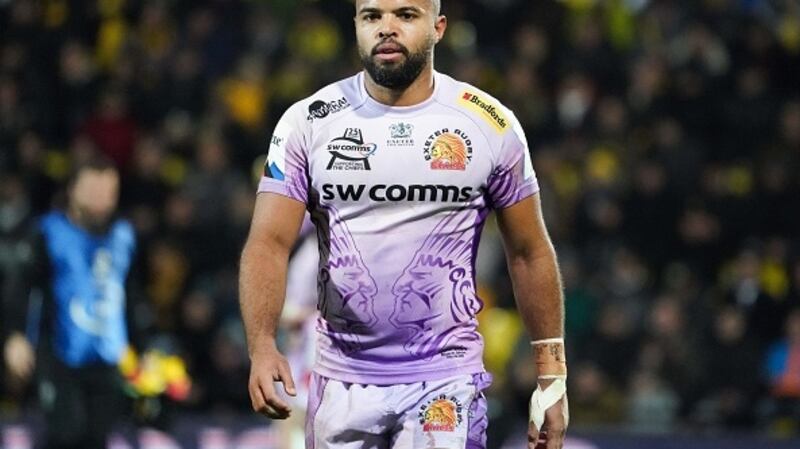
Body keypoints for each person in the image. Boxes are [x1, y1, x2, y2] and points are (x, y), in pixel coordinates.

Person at [238, 1, 569, 448]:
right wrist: (261, 346)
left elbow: (530, 250)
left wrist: (552, 376)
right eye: (372, 16)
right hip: (340, 379)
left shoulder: (489, 124)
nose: (387, 29)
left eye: (406, 15)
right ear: (355, 26)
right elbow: (268, 243)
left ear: (439, 27)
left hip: (445, 379)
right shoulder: (307, 123)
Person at [2, 156, 144, 449]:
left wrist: (141, 346)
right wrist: (13, 336)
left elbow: (132, 297)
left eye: (107, 192)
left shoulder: (124, 236)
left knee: (97, 439)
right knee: (65, 435)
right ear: (72, 190)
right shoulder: (46, 232)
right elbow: (19, 289)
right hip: (58, 355)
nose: (100, 200)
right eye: (92, 191)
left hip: (109, 358)